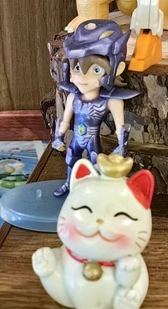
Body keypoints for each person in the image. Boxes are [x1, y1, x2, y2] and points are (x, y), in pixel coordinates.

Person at [53, 19, 138, 197]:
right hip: (76, 137)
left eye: (96, 70)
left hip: (93, 138)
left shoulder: (111, 101)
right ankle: (69, 183)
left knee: (95, 162)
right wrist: (59, 136)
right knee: (71, 158)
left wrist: (122, 145)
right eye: (77, 67)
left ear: (115, 69)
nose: (82, 78)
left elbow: (120, 128)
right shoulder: (73, 97)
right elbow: (65, 120)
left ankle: (95, 189)